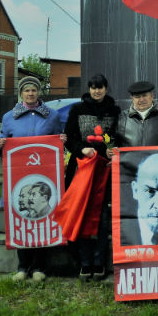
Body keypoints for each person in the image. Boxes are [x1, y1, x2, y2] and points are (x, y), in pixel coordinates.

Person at [0, 75, 62, 283]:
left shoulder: (52, 116)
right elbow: (3, 138)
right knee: (20, 217)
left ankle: (40, 267)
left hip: (44, 176)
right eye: (27, 90)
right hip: (19, 178)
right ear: (21, 93)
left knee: (42, 217)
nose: (30, 93)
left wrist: (62, 140)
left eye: (34, 90)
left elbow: (59, 140)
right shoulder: (9, 117)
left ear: (39, 92)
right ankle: (23, 267)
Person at [63, 74, 120, 281]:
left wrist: (113, 150)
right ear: (89, 89)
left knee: (103, 218)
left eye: (100, 87)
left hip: (105, 170)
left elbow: (117, 136)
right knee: (83, 214)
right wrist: (82, 149)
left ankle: (99, 262)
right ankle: (84, 262)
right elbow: (69, 138)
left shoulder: (114, 110)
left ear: (106, 88)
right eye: (94, 87)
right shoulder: (77, 109)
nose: (97, 91)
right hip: (81, 169)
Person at [114, 80, 158, 147]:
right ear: (132, 98)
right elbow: (113, 139)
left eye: (144, 95)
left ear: (152, 96)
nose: (141, 100)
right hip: (129, 156)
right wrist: (111, 148)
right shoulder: (121, 118)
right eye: (137, 97)